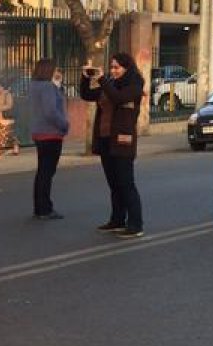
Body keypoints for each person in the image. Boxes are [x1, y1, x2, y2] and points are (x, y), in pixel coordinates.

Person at [80, 53, 146, 239]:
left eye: (117, 67)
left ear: (127, 68)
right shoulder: (110, 84)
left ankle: (136, 224)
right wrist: (86, 78)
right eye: (112, 67)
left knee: (126, 183)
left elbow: (117, 98)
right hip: (105, 139)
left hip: (123, 141)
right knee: (114, 184)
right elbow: (87, 95)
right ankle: (117, 220)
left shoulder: (134, 86)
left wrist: (102, 79)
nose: (113, 71)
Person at [28, 60, 68, 220]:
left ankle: (40, 207)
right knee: (47, 172)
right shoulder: (47, 87)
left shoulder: (35, 86)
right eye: (55, 69)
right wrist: (64, 125)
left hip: (39, 132)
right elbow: (51, 111)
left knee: (42, 172)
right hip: (51, 133)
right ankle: (45, 208)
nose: (57, 72)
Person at [0, 82, 20, 157]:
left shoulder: (7, 94)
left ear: (3, 87)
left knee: (11, 134)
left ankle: (16, 148)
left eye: (0, 86)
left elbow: (10, 105)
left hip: (6, 118)